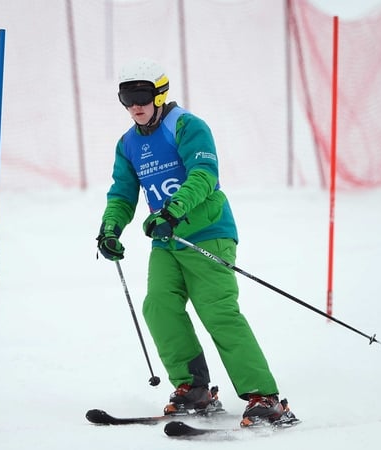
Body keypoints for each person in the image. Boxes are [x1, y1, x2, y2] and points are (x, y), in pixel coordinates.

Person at [95, 57, 296, 428]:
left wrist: (172, 211)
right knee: (158, 306)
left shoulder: (187, 126)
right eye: (126, 98)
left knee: (217, 311)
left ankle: (265, 396)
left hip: (207, 233)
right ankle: (193, 388)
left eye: (142, 95)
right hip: (167, 241)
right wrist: (110, 229)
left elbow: (204, 175)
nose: (135, 105)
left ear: (159, 94)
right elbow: (122, 193)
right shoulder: (127, 144)